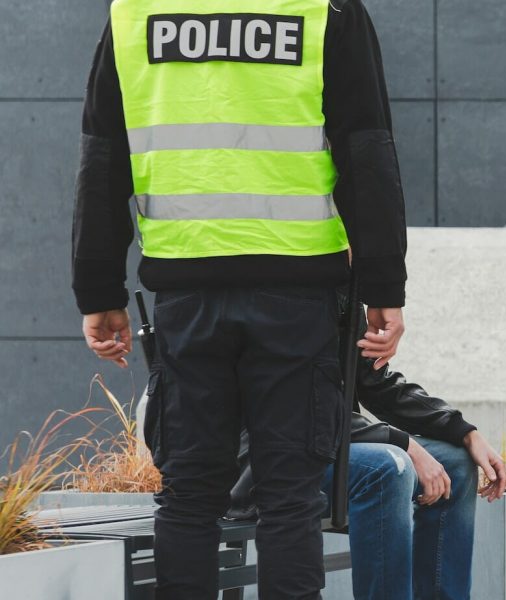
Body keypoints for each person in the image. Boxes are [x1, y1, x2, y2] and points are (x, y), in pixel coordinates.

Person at [73, 0, 408, 597]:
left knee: (190, 495)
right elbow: (366, 148)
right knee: (289, 499)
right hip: (296, 291)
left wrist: (98, 289)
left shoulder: (136, 12)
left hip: (186, 290)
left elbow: (104, 158)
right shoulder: (325, 9)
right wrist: (384, 285)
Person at [224, 350, 506, 600]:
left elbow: (377, 382)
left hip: (327, 442)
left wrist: (464, 431)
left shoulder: (341, 295)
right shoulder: (286, 297)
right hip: (265, 459)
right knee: (387, 467)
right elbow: (296, 407)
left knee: (456, 464)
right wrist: (402, 443)